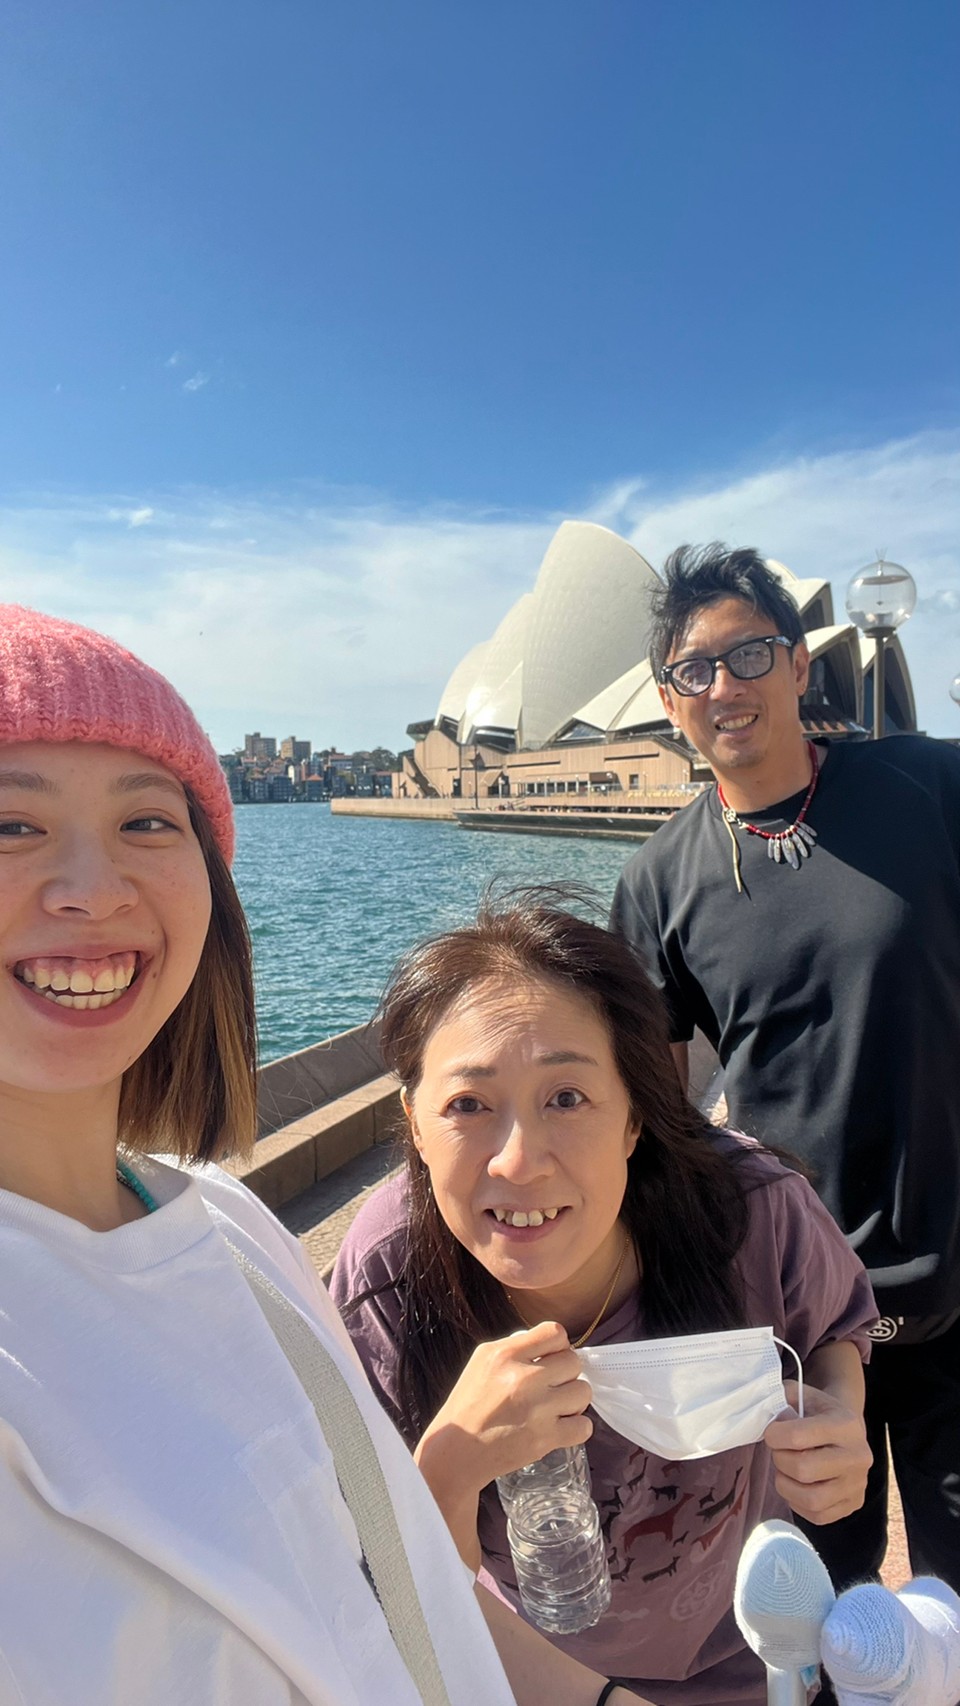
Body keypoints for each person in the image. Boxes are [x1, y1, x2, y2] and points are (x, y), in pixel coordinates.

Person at [0, 603, 650, 1706]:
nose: (92, 888)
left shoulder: (228, 1225)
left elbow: (396, 1599)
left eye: (147, 821)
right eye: (11, 824)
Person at [331, 891, 878, 1704]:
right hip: (522, 1674)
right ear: (414, 1124)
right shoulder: (386, 1280)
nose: (519, 1162)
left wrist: (837, 1416)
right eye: (468, 1105)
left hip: (752, 1662)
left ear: (633, 1119)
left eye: (567, 1098)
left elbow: (833, 1327)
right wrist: (448, 1468)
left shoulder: (751, 1213)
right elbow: (395, 1595)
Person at [609, 545, 960, 1606]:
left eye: (749, 653)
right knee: (822, 1614)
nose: (724, 685)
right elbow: (649, 1113)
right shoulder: (658, 882)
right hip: (795, 1308)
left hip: (955, 1278)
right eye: (694, 669)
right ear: (669, 701)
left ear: (801, 664)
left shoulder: (928, 786)